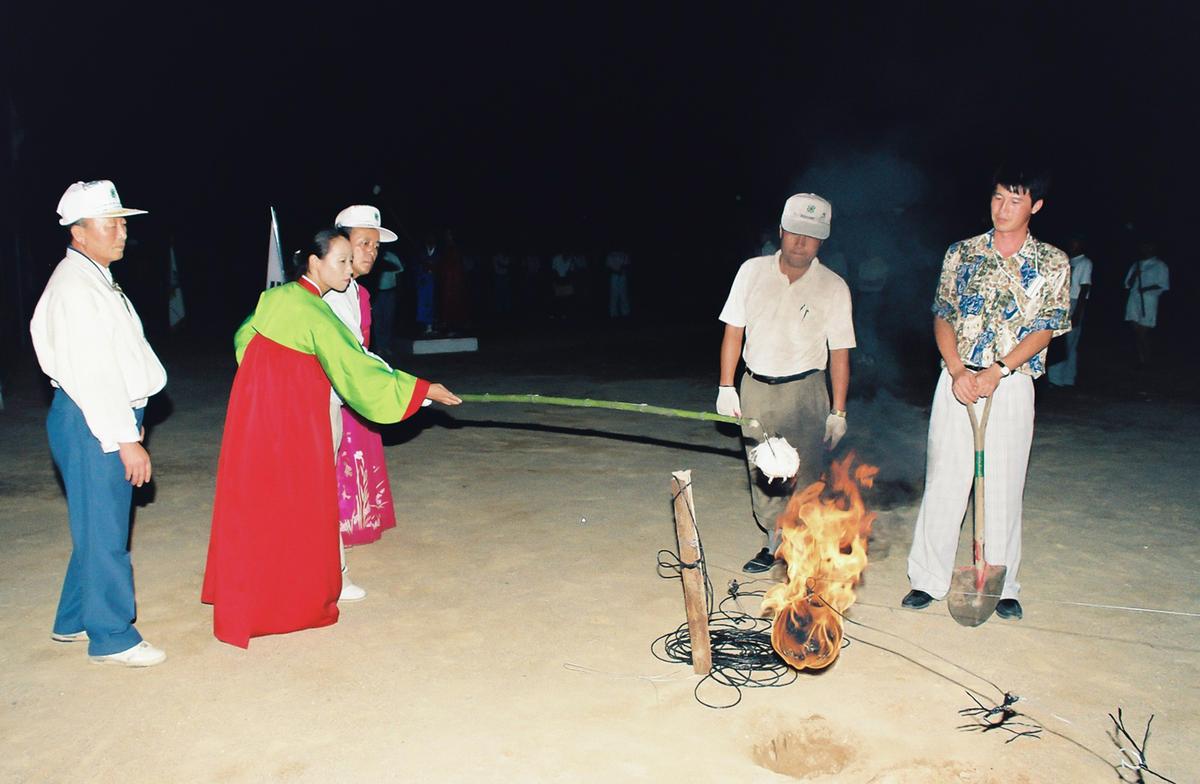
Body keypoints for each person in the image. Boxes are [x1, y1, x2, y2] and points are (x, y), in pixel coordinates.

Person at [202, 228, 460, 648]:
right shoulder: (315, 312)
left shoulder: (276, 298)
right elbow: (356, 367)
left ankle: (251, 589)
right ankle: (290, 598)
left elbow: (243, 339)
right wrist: (420, 390)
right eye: (340, 262)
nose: (348, 270)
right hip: (296, 418)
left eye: (349, 261)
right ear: (314, 263)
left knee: (263, 497)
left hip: (260, 415)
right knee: (303, 499)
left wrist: (267, 385)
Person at [903, 164, 1071, 621]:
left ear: (1036, 205)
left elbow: (1046, 327)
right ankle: (928, 578)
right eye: (998, 197)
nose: (1003, 208)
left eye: (1015, 200)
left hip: (1010, 383)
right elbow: (943, 314)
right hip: (957, 379)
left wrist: (1000, 369)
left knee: (1005, 481)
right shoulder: (962, 253)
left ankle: (1002, 582)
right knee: (945, 476)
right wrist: (957, 368)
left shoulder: (1052, 262)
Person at [30, 180, 167, 667]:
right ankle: (112, 636)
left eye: (123, 223)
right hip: (91, 417)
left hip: (104, 412)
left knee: (96, 522)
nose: (122, 232)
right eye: (111, 224)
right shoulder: (75, 288)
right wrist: (124, 437)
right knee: (106, 530)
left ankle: (73, 617)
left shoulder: (94, 276)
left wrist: (132, 413)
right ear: (79, 232)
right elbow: (92, 373)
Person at [717, 193, 856, 574]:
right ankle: (772, 543)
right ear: (781, 229)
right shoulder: (752, 271)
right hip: (756, 387)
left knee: (805, 473)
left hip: (805, 390)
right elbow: (734, 331)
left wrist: (838, 412)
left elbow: (840, 353)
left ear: (822, 240)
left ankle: (803, 546)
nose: (800, 242)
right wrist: (726, 386)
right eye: (795, 231)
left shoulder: (833, 286)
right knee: (763, 469)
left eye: (811, 235)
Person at [325, 206, 401, 592]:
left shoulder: (360, 291)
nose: (371, 252)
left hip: (352, 390)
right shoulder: (328, 294)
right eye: (363, 243)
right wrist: (399, 387)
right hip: (332, 393)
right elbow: (349, 356)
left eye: (375, 246)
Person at [1047, 237, 1093, 387]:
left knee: (1068, 343)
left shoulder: (1085, 262)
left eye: (1076, 243)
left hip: (1073, 302)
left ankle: (1060, 379)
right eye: (1071, 243)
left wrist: (1078, 312)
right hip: (1062, 302)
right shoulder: (1067, 260)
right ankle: (1063, 378)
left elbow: (1084, 288)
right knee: (1061, 342)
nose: (1072, 246)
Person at [1124, 243, 1169, 366]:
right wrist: (1135, 274)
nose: (1146, 249)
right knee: (1136, 331)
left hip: (1149, 300)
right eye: (1144, 247)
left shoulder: (1160, 265)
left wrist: (1146, 288)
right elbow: (1128, 284)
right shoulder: (1136, 264)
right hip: (1134, 299)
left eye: (1149, 247)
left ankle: (1147, 360)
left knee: (1142, 332)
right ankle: (1141, 359)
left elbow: (1164, 284)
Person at [606, 250, 631, 319]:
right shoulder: (610, 255)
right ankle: (613, 313)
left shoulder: (624, 254)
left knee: (623, 294)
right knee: (614, 294)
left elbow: (627, 264)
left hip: (622, 275)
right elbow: (608, 266)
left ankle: (625, 312)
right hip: (614, 276)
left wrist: (622, 270)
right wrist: (616, 271)